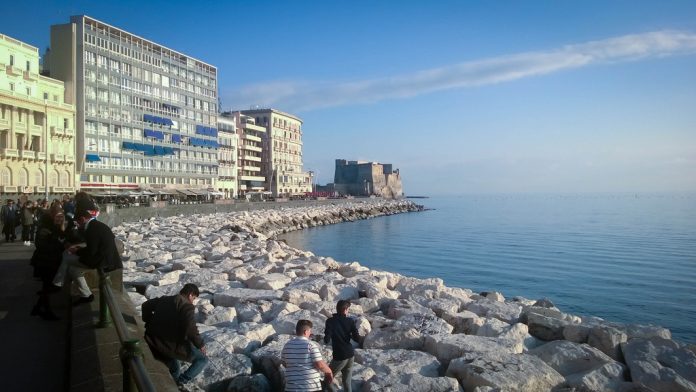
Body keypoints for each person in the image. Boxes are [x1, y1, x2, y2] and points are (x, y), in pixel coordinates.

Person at [142, 284, 208, 387]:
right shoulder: (186, 306)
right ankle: (181, 382)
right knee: (202, 359)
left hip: (152, 339)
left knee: (175, 367)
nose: (193, 301)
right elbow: (191, 329)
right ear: (190, 295)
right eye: (194, 298)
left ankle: (173, 383)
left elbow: (145, 305)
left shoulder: (165, 299)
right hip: (168, 344)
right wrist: (200, 345)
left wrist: (148, 320)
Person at [53, 206, 122, 304]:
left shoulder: (91, 229)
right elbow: (94, 248)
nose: (76, 224)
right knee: (74, 269)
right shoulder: (97, 225)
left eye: (77, 222)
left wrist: (77, 251)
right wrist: (79, 249)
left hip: (102, 261)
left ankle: (57, 283)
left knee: (67, 257)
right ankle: (86, 295)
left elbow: (92, 252)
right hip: (109, 260)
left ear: (83, 219)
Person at [29, 206, 67, 320]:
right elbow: (42, 245)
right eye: (58, 216)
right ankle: (45, 311)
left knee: (48, 286)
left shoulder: (53, 227)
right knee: (50, 286)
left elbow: (62, 237)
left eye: (61, 217)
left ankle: (39, 308)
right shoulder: (45, 228)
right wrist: (60, 245)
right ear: (52, 216)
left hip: (50, 261)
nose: (60, 219)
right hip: (45, 262)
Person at [281, 320, 333, 392]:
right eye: (310, 331)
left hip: (291, 388)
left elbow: (284, 363)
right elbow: (319, 364)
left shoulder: (287, 345)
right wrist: (329, 372)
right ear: (305, 332)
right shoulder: (310, 345)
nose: (310, 333)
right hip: (309, 388)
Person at [324, 300, 361, 392]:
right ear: (345, 310)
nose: (348, 311)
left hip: (339, 356)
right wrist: (350, 334)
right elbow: (357, 339)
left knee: (327, 380)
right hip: (350, 354)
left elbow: (326, 340)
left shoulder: (330, 321)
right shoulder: (350, 321)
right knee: (347, 381)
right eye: (348, 309)